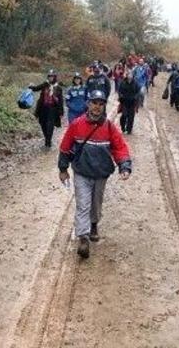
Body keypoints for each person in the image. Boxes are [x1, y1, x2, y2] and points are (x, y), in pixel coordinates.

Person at [58, 90, 132, 259]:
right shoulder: (77, 124)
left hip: (101, 173)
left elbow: (120, 147)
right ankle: (83, 238)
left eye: (101, 103)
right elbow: (65, 147)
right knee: (83, 204)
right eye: (94, 103)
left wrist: (124, 166)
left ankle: (94, 224)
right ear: (88, 104)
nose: (97, 107)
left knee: (96, 202)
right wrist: (63, 169)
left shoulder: (109, 127)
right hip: (82, 172)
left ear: (104, 106)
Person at [29, 69, 64, 148]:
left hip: (53, 109)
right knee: (42, 123)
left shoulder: (58, 87)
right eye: (49, 76)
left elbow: (61, 100)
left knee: (50, 125)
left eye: (52, 76)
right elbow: (36, 88)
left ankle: (48, 141)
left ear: (55, 77)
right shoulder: (45, 84)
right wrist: (30, 87)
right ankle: (47, 138)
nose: (51, 78)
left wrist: (61, 112)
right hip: (43, 108)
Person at [118, 69, 141, 134]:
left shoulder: (135, 83)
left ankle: (129, 129)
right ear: (127, 75)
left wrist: (136, 97)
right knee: (124, 115)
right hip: (124, 102)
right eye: (129, 74)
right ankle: (123, 127)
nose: (130, 76)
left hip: (132, 102)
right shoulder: (123, 82)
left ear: (133, 75)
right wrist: (120, 96)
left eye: (131, 74)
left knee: (131, 117)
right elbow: (119, 91)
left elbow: (138, 91)